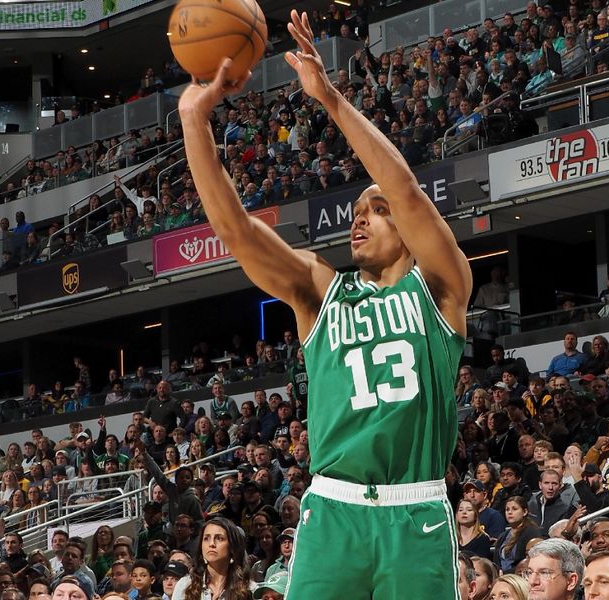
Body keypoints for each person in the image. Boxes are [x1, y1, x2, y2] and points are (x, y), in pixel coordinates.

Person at [177, 10, 472, 599]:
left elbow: (406, 188)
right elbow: (234, 230)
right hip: (333, 507)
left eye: (376, 210)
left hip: (416, 510)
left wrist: (330, 99)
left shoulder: (440, 287)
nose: (361, 219)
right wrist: (193, 122)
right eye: (357, 213)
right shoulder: (321, 289)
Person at [171, 517, 253, 600]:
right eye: (206, 538)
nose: (212, 544)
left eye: (219, 538)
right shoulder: (185, 585)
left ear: (232, 546)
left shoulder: (249, 589)